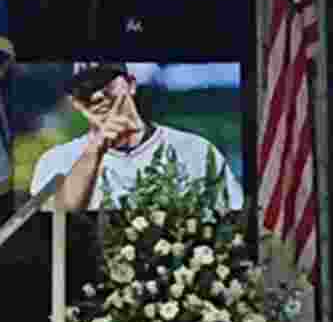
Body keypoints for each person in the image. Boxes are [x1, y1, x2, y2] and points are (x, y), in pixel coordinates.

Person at [29, 63, 243, 213]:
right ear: (75, 102)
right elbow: (54, 228)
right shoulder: (55, 161)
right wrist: (95, 149)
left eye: (105, 82)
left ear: (131, 84)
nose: (97, 95)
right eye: (85, 89)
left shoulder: (197, 150)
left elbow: (234, 218)